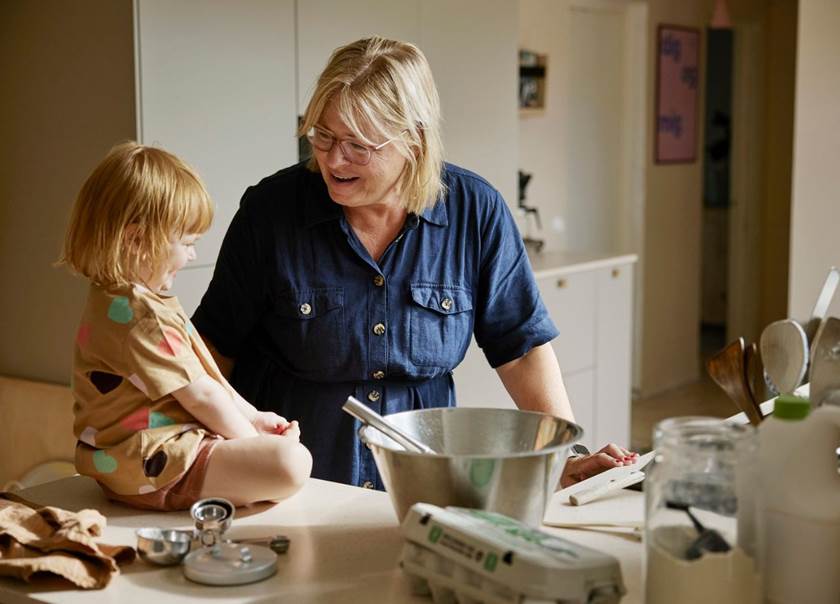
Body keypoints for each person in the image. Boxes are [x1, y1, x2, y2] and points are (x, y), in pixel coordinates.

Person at [192, 37, 635, 490]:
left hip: (419, 485)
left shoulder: (474, 211)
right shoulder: (271, 211)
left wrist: (564, 457)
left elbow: (521, 349)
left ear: (414, 140)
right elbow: (211, 350)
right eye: (322, 135)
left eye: (358, 145)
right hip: (296, 485)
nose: (331, 158)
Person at [60, 142, 312, 510]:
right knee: (293, 462)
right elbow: (202, 396)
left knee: (282, 457)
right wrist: (252, 444)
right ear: (137, 239)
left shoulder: (114, 299)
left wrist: (253, 417)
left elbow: (205, 378)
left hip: (129, 461)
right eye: (186, 243)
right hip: (152, 462)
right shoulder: (141, 314)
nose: (192, 255)